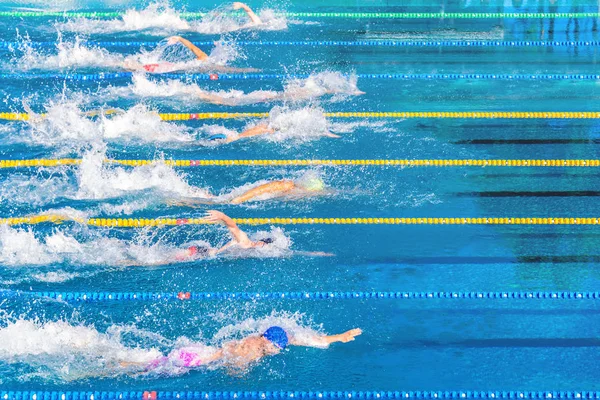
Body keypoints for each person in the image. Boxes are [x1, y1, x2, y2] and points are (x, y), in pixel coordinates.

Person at [120, 325, 362, 373]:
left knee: (156, 361)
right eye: (279, 348)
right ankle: (121, 365)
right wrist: (243, 373)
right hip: (194, 360)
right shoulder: (254, 350)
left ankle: (127, 362)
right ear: (270, 344)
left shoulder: (262, 337)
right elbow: (232, 366)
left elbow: (306, 338)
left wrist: (338, 337)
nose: (281, 350)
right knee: (148, 368)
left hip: (198, 350)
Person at [170, 176, 327, 207]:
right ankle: (178, 198)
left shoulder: (292, 190)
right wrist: (240, 200)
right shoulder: (287, 186)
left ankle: (183, 198)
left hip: (246, 198)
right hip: (244, 198)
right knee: (216, 201)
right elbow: (261, 189)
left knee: (215, 200)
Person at [206, 122, 341, 143]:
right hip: (236, 137)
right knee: (266, 128)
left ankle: (233, 137)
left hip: (237, 136)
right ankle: (233, 138)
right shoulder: (269, 129)